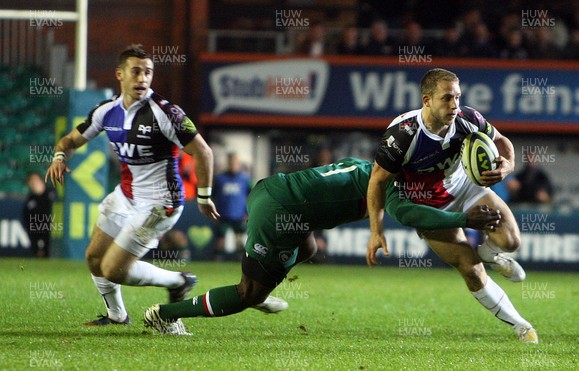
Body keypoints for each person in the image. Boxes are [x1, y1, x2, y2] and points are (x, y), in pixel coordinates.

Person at [45, 45, 281, 327]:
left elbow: (204, 152)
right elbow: (70, 140)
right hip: (126, 196)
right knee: (94, 257)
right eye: (136, 71)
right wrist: (60, 156)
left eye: (148, 72)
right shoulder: (106, 111)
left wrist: (204, 197)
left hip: (160, 203)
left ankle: (178, 280)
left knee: (113, 269)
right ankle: (117, 315)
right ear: (120, 74)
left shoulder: (167, 113)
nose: (142, 78)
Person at [143, 157, 501, 335]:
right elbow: (408, 213)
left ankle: (262, 276)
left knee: (310, 249)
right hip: (280, 210)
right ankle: (165, 315)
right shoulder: (394, 184)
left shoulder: (374, 166)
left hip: (275, 193)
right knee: (246, 294)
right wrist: (464, 221)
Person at [366, 68, 538, 343]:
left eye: (457, 97)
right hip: (428, 204)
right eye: (447, 98)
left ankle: (490, 253)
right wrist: (376, 230)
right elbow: (376, 182)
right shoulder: (402, 134)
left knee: (511, 241)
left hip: (465, 186)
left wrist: (507, 165)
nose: (455, 105)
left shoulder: (468, 118)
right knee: (469, 268)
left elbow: (501, 141)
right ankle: (520, 324)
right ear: (427, 100)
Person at [212, 152, 252, 259]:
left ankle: (240, 259)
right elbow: (214, 196)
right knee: (220, 238)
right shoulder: (220, 178)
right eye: (231, 162)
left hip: (239, 214)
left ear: (239, 164)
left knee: (239, 238)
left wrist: (248, 212)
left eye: (235, 162)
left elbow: (252, 195)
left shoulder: (245, 179)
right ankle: (217, 259)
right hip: (223, 214)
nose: (233, 165)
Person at [23, 172, 54, 258]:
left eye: (36, 181)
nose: (34, 184)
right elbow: (27, 219)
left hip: (52, 230)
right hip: (37, 231)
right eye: (31, 182)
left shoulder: (51, 194)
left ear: (41, 181)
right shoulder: (30, 200)